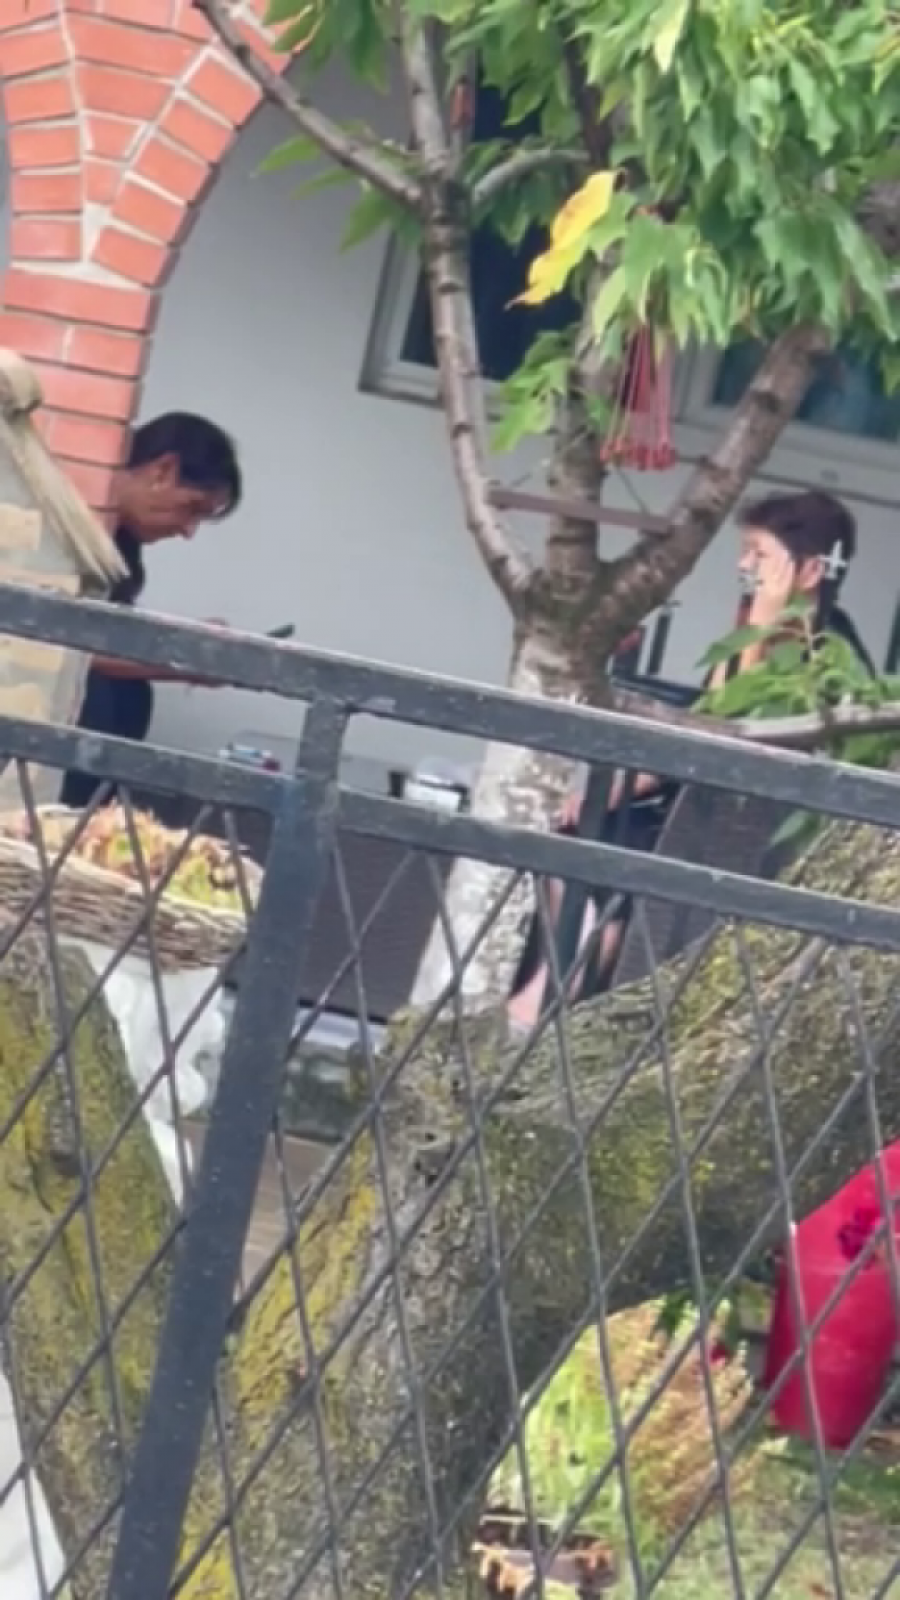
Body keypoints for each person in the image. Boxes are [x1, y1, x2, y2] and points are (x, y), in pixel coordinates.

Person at [508, 489, 875, 1029]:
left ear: (811, 569)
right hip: (687, 813)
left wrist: (762, 624)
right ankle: (559, 993)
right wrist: (608, 792)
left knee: (613, 865)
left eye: (759, 554)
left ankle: (556, 1003)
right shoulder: (756, 634)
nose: (745, 567)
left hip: (730, 843)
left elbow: (726, 737)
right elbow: (699, 728)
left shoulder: (828, 660)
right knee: (573, 838)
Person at [60, 412, 242, 809]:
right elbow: (74, 644)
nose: (188, 531)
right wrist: (185, 658)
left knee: (129, 693)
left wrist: (187, 641)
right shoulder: (71, 516)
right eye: (192, 508)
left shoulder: (121, 541)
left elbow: (110, 632)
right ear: (162, 471)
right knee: (98, 695)